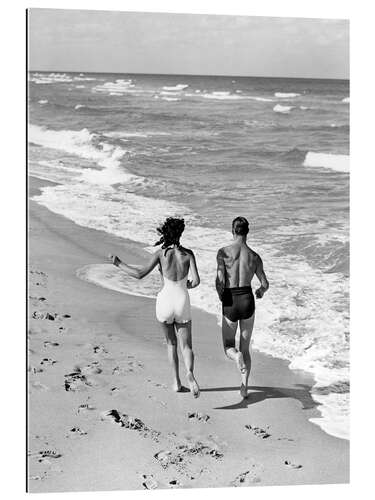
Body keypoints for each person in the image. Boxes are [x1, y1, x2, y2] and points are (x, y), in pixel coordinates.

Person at [108, 217, 200, 398]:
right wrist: (186, 285)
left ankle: (176, 382)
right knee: (186, 346)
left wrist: (118, 263)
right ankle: (189, 372)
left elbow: (139, 274)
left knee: (171, 343)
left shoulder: (160, 254)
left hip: (165, 301)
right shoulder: (188, 254)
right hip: (182, 301)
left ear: (166, 233)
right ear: (180, 233)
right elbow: (196, 281)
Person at [216, 216, 269, 399]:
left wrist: (221, 295)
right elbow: (264, 283)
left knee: (229, 347)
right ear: (247, 232)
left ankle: (235, 357)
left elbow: (220, 280)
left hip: (230, 300)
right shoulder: (254, 256)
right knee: (245, 348)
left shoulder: (223, 252)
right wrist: (260, 291)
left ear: (233, 231)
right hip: (247, 299)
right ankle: (244, 387)